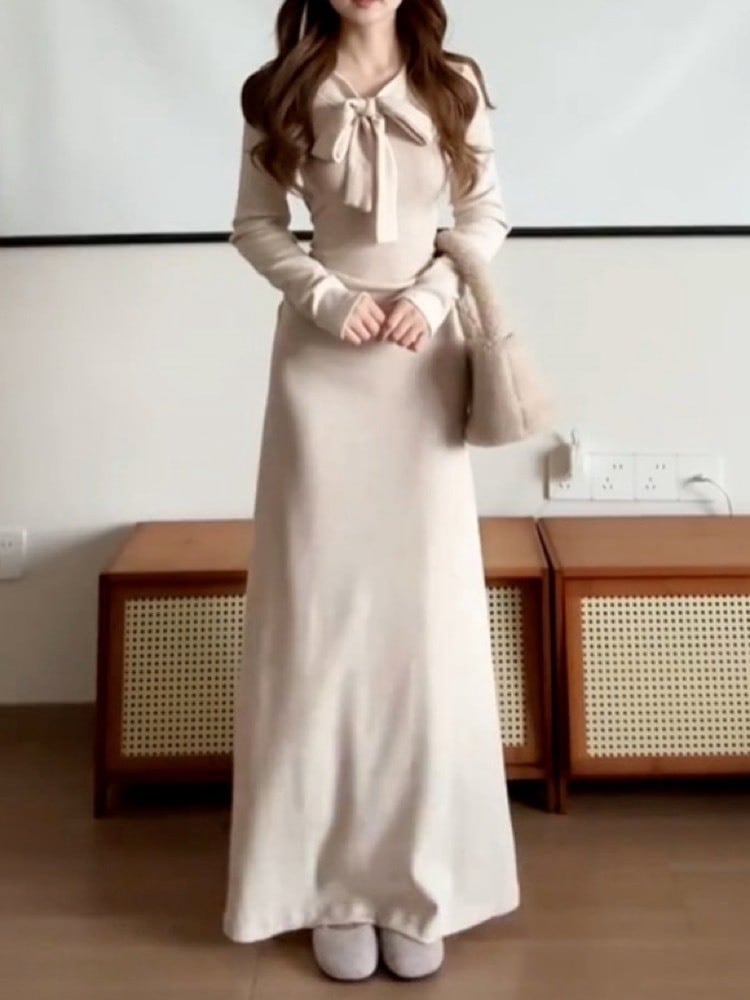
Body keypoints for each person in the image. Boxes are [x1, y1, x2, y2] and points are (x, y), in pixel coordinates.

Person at [222, 0, 520, 982]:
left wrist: (432, 296)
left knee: (419, 622)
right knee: (322, 619)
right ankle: (329, 888)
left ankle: (417, 882)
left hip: (419, 364)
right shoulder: (282, 90)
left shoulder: (454, 82)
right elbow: (256, 225)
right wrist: (325, 296)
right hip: (321, 366)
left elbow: (484, 214)